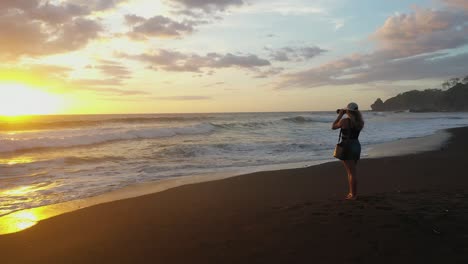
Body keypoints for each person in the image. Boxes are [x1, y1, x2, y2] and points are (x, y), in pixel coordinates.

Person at [332, 102, 364, 200]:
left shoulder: (344, 121)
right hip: (356, 145)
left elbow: (333, 126)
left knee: (351, 173)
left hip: (347, 146)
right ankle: (353, 193)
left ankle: (353, 194)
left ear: (348, 111)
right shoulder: (360, 122)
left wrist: (340, 115)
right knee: (352, 171)